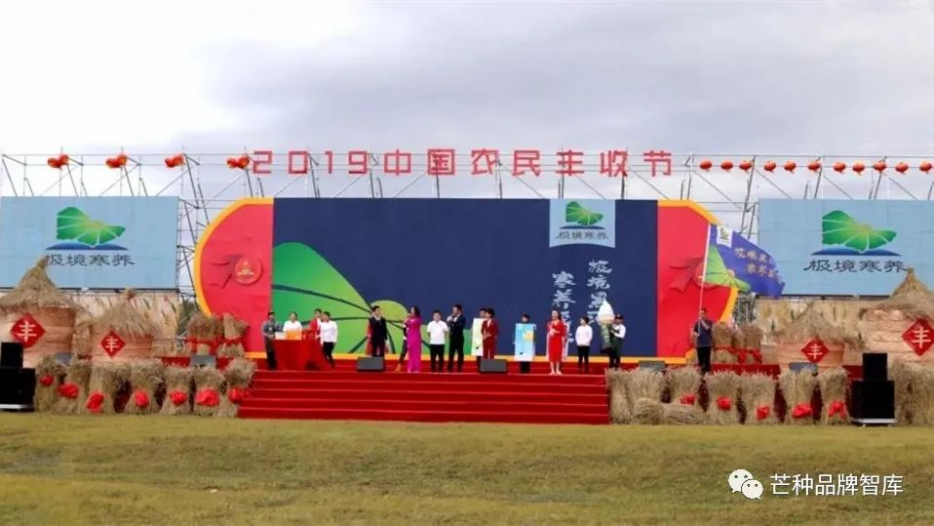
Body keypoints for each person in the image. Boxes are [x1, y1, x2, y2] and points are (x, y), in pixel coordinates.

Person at [693, 308, 714, 374]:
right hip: (700, 344)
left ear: (705, 314)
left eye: (702, 313)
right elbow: (694, 331)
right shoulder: (697, 323)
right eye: (700, 313)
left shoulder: (709, 322)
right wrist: (697, 334)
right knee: (700, 361)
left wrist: (702, 321)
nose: (701, 315)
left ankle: (707, 374)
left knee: (707, 360)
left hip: (707, 344)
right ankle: (700, 374)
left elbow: (707, 328)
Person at [547, 310, 567, 375]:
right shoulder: (550, 323)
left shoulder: (561, 323)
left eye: (555, 313)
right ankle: (552, 370)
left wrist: (556, 332)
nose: (553, 314)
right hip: (552, 340)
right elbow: (549, 331)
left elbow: (563, 333)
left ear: (558, 315)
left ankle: (557, 370)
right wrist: (552, 331)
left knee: (558, 355)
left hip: (558, 340)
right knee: (552, 355)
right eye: (552, 313)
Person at [446, 304, 465, 373]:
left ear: (459, 311)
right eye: (453, 309)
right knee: (451, 353)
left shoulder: (462, 317)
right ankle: (450, 368)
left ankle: (459, 368)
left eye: (455, 310)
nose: (453, 311)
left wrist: (452, 323)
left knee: (460, 353)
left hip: (459, 338)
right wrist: (452, 322)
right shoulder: (452, 317)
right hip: (452, 337)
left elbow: (460, 325)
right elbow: (448, 323)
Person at [405, 306, 423, 373]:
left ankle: (416, 368)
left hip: (416, 337)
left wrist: (407, 321)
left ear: (415, 311)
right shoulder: (410, 319)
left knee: (416, 353)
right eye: (411, 309)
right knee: (410, 353)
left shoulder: (418, 319)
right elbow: (407, 324)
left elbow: (411, 324)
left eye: (412, 310)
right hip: (410, 337)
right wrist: (407, 320)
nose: (411, 311)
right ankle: (410, 368)